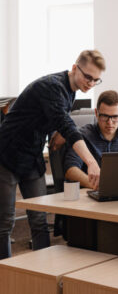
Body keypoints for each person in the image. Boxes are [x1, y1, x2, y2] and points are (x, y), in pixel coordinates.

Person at [0, 50, 105, 259]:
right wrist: (91, 162)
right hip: (6, 154)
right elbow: (67, 124)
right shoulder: (52, 86)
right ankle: (5, 275)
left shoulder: (71, 89)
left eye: (96, 80)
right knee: (5, 222)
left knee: (39, 219)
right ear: (75, 68)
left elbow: (53, 117)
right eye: (88, 77)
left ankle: (44, 272)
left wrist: (57, 133)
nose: (91, 83)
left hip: (32, 156)